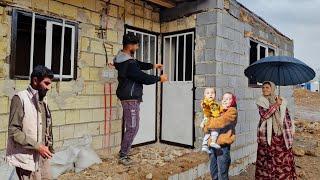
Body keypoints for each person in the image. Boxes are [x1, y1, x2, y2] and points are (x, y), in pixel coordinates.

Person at [113, 33, 168, 165]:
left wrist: (153, 66)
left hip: (128, 96)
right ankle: (123, 155)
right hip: (130, 98)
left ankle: (124, 152)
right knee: (132, 127)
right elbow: (142, 77)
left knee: (132, 126)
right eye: (136, 45)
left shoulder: (122, 58)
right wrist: (159, 79)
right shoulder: (129, 63)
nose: (137, 47)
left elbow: (139, 64)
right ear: (130, 45)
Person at [6, 65, 54, 180]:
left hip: (42, 157)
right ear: (35, 81)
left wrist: (48, 146)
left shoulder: (43, 100)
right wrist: (37, 146)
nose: (49, 88)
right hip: (27, 159)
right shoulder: (20, 98)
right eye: (46, 83)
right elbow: (14, 131)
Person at [255, 81, 296, 180]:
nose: (264, 89)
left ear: (272, 89)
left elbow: (287, 117)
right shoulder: (261, 101)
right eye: (263, 87)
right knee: (266, 159)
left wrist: (290, 130)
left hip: (281, 136)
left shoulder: (281, 100)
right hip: (267, 136)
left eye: (267, 87)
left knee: (283, 159)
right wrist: (276, 105)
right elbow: (265, 115)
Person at [204, 92, 238, 180]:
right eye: (224, 98)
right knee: (213, 170)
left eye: (229, 99)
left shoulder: (232, 111)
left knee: (222, 172)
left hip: (222, 146)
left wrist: (208, 123)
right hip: (212, 144)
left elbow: (220, 122)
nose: (225, 100)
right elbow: (206, 125)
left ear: (233, 101)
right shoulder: (217, 110)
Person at [200, 87, 223, 153]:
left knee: (207, 134)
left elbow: (219, 109)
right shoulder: (206, 102)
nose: (210, 94)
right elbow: (205, 107)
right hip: (210, 119)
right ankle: (213, 142)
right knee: (215, 130)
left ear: (215, 95)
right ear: (205, 95)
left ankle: (204, 146)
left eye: (212, 93)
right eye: (208, 93)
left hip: (209, 119)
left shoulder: (215, 103)